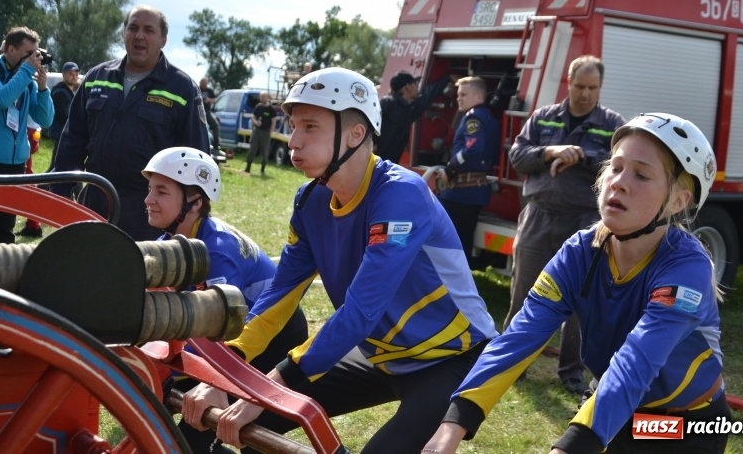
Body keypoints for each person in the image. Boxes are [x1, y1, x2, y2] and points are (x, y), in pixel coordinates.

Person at [181, 67, 498, 454]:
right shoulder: (309, 200)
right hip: (378, 351)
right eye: (293, 125)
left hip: (454, 358)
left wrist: (270, 383)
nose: (293, 140)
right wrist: (225, 374)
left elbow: (361, 310)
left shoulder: (402, 195)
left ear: (356, 134)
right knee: (229, 418)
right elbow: (280, 294)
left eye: (310, 127)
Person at [425, 112, 730, 454]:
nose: (619, 182)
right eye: (615, 167)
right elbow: (518, 338)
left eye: (642, 175)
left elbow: (636, 362)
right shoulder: (579, 252)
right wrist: (452, 425)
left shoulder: (688, 267)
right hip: (611, 403)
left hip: (682, 426)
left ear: (678, 201)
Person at [142, 146, 308, 453]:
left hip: (273, 336)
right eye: (150, 189)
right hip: (233, 336)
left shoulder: (216, 250)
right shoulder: (166, 241)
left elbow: (219, 331)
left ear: (195, 202)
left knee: (202, 434)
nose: (148, 200)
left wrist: (171, 370)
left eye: (161, 191)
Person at [504, 55, 625, 394]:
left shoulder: (612, 123)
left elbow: (618, 166)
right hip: (538, 216)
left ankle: (571, 371)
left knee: (578, 298)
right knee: (523, 292)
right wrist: (550, 152)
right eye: (579, 86)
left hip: (585, 221)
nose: (585, 94)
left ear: (600, 88)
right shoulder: (543, 117)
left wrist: (580, 156)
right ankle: (512, 363)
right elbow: (517, 155)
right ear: (567, 83)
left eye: (592, 88)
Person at [52, 5, 209, 241]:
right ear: (124, 33)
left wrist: (186, 219)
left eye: (148, 30)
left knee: (140, 276)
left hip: (149, 214)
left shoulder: (182, 88)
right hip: (94, 204)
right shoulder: (97, 78)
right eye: (133, 28)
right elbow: (71, 142)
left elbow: (198, 159)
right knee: (86, 273)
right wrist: (61, 196)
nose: (139, 36)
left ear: (163, 39)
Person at [0, 26, 54, 244]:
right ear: (11, 50)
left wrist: (42, 89)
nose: (34, 58)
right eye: (29, 53)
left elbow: (45, 119)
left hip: (16, 164)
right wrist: (26, 72)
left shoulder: (26, 79)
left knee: (5, 227)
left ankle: (2, 273)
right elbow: (2, 99)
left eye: (36, 53)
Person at [438, 76, 501, 265]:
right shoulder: (489, 117)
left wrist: (450, 168)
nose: (459, 98)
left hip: (461, 193)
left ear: (478, 96)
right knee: (462, 243)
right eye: (458, 95)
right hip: (473, 193)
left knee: (444, 242)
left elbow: (473, 148)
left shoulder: (473, 117)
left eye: (463, 94)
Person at [374, 69, 452, 164]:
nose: (417, 86)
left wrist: (448, 78)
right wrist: (372, 142)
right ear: (408, 87)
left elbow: (428, 94)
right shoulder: (387, 103)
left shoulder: (410, 108)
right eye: (415, 83)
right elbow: (368, 120)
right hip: (372, 160)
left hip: (388, 163)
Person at [47, 61, 80, 170]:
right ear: (64, 74)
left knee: (66, 166)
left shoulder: (69, 92)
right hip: (61, 135)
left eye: (76, 74)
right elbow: (63, 116)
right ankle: (41, 185)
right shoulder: (60, 92)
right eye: (70, 74)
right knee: (57, 167)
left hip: (66, 136)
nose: (74, 77)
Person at [16, 118, 44, 238]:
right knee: (27, 177)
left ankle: (34, 224)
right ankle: (34, 224)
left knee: (26, 178)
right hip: (30, 128)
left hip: (24, 128)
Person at [244, 91, 277, 175]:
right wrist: (256, 122)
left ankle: (262, 170)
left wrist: (270, 132)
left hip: (266, 132)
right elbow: (253, 117)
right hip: (257, 131)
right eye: (261, 97)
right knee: (252, 149)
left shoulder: (271, 109)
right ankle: (248, 168)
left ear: (267, 98)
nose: (263, 98)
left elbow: (273, 121)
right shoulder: (258, 107)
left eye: (264, 96)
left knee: (265, 151)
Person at [199, 77, 223, 158]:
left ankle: (216, 144)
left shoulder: (209, 91)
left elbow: (215, 100)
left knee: (215, 125)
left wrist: (209, 100)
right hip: (198, 111)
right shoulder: (196, 89)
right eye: (203, 83)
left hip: (207, 111)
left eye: (205, 83)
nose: (204, 85)